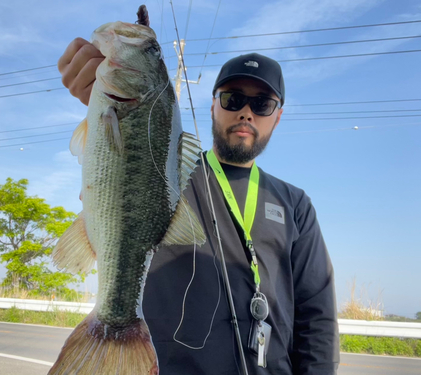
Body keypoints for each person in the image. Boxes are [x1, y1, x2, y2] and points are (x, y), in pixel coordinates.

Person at [58, 38, 340, 375]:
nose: (246, 112)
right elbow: (128, 161)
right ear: (213, 106)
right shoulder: (170, 177)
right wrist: (109, 97)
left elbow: (316, 315)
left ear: (277, 117)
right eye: (232, 98)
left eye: (262, 103)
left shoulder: (295, 204)